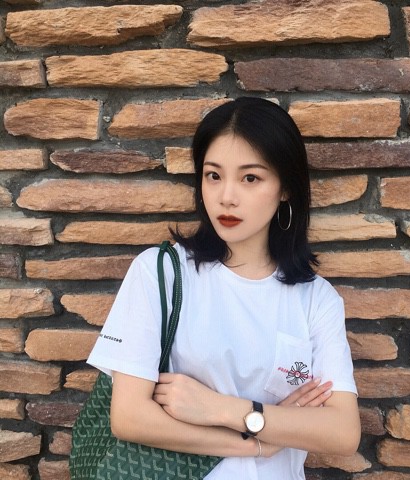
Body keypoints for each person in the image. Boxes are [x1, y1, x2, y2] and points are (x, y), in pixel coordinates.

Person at [87, 97, 360, 479]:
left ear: (285, 187)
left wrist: (221, 409)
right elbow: (130, 417)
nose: (226, 196)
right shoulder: (161, 272)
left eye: (250, 178)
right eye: (213, 175)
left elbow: (343, 432)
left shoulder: (316, 299)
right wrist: (257, 441)